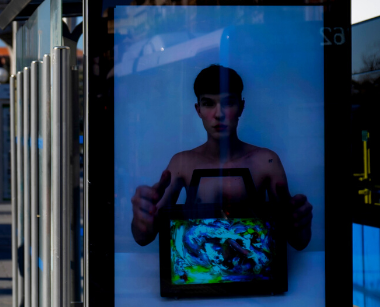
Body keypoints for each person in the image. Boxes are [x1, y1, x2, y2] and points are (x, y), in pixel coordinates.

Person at [130, 64, 313, 251]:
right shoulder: (182, 163)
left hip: (251, 271)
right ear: (198, 110)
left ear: (241, 107)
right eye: (208, 103)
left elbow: (297, 240)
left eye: (228, 103)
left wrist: (300, 225)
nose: (219, 114)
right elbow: (144, 236)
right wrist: (142, 218)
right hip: (198, 272)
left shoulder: (266, 161)